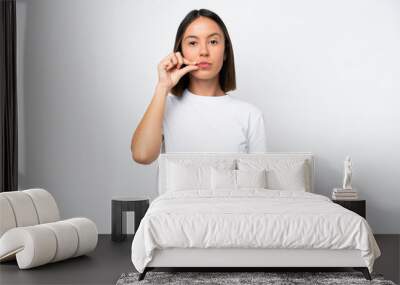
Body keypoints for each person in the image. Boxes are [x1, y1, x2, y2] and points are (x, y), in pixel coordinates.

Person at [131, 9, 268, 165]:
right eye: (193, 43)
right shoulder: (163, 107)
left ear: (225, 52)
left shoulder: (250, 115)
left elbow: (256, 183)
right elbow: (142, 155)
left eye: (213, 42)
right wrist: (163, 87)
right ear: (180, 52)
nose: (204, 52)